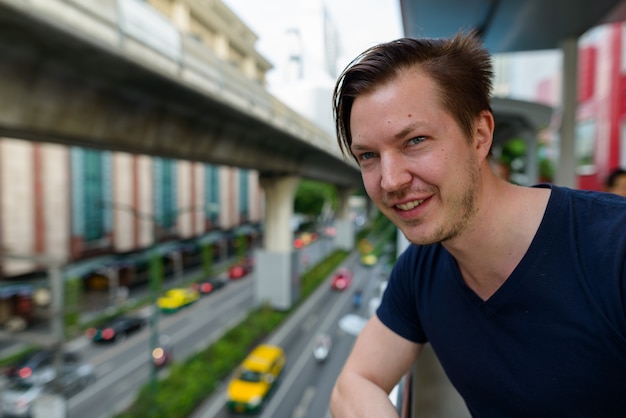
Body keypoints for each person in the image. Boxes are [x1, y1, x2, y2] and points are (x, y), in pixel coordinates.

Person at [329, 31, 626, 418]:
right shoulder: (422, 269)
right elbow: (354, 382)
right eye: (368, 155)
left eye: (415, 140)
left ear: (480, 134)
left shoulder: (612, 248)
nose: (390, 180)